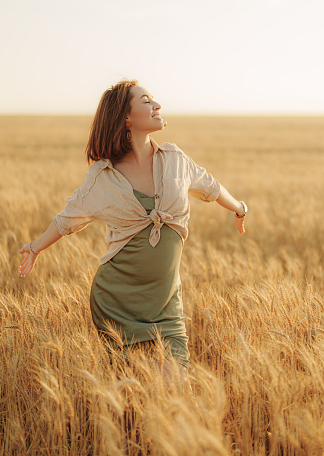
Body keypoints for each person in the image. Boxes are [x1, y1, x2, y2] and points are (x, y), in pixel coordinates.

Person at [19, 79, 247, 390]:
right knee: (133, 396)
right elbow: (67, 218)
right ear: (126, 118)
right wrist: (35, 247)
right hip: (118, 302)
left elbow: (211, 187)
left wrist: (240, 208)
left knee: (175, 388)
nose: (157, 106)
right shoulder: (104, 177)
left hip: (166, 304)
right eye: (146, 101)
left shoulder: (175, 160)